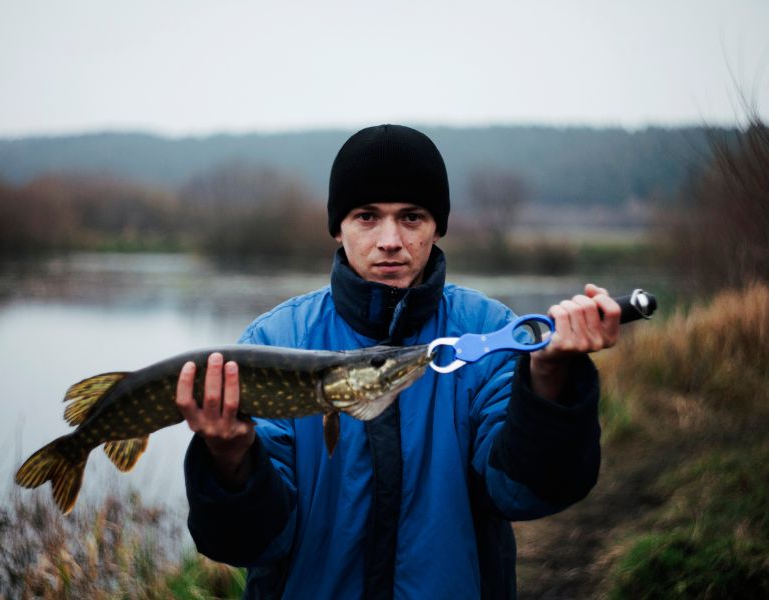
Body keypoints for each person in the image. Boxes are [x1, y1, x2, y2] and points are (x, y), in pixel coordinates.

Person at [176, 124, 621, 599]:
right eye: (367, 216)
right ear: (339, 228)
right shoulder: (274, 340)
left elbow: (523, 491)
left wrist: (549, 379)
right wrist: (230, 460)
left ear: (436, 227)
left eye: (411, 217)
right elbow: (249, 542)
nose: (390, 239)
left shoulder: (490, 332)